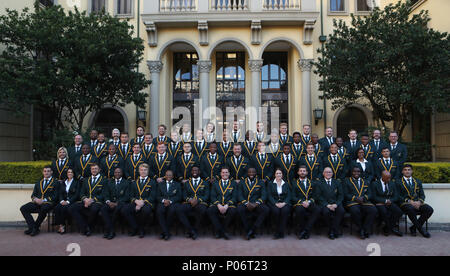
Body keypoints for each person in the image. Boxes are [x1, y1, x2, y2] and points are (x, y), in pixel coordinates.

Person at [69, 164, 106, 236]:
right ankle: (85, 226)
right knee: (72, 208)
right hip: (86, 201)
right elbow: (82, 192)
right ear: (90, 170)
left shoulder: (104, 180)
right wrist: (85, 199)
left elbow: (104, 194)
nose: (94, 170)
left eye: (96, 169)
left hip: (97, 201)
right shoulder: (86, 180)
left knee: (94, 209)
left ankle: (88, 227)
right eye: (92, 169)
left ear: (99, 170)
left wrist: (92, 200)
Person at [397, 164, 433, 238]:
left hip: (417, 203)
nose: (407, 171)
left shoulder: (417, 181)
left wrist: (419, 202)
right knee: (411, 209)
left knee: (429, 209)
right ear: (402, 171)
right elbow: (398, 196)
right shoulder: (398, 182)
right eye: (405, 170)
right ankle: (421, 230)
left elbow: (422, 195)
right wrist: (410, 202)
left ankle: (413, 227)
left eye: (409, 170)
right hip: (405, 203)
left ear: (412, 171)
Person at [20, 166, 57, 236]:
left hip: (48, 203)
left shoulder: (55, 182)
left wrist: (44, 200)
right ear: (43, 172)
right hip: (37, 202)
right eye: (45, 171)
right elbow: (33, 195)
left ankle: (35, 228)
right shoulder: (39, 182)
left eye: (48, 171)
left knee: (44, 209)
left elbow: (56, 196)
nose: (46, 173)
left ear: (51, 172)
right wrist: (35, 199)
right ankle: (32, 227)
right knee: (23, 208)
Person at [122, 163, 156, 238]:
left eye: (145, 170)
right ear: (139, 171)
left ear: (148, 171)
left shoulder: (152, 182)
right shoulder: (134, 182)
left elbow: (152, 196)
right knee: (125, 209)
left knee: (146, 211)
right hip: (136, 202)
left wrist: (142, 202)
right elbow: (130, 195)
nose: (143, 172)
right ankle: (135, 227)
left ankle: (142, 229)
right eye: (141, 170)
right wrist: (136, 202)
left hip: (147, 203)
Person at [343, 167, 377, 239]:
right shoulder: (347, 181)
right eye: (354, 171)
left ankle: (365, 228)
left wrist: (364, 198)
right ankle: (361, 229)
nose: (356, 173)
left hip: (364, 202)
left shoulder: (365, 181)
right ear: (352, 172)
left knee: (373, 210)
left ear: (360, 173)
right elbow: (346, 194)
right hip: (352, 202)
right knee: (355, 211)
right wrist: (356, 198)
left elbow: (370, 193)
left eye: (358, 171)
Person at [176, 167, 209, 240]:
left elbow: (206, 195)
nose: (195, 172)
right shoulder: (187, 183)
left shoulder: (205, 183)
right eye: (193, 170)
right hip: (189, 202)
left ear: (199, 172)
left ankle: (195, 229)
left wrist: (198, 200)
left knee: (203, 210)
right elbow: (184, 195)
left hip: (200, 202)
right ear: (191, 172)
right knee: (179, 210)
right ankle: (191, 229)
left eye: (196, 170)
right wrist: (190, 200)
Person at [237, 168, 269, 240]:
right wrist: (246, 203)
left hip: (256, 203)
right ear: (247, 173)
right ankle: (248, 229)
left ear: (256, 173)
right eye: (249, 172)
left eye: (253, 172)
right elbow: (239, 195)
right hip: (245, 203)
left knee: (266, 209)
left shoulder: (260, 182)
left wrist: (256, 203)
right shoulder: (242, 182)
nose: (251, 173)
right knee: (239, 209)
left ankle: (253, 229)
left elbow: (264, 195)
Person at [207, 167, 237, 240]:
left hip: (229, 204)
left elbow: (235, 197)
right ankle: (222, 230)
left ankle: (221, 231)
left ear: (229, 174)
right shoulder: (215, 183)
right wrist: (218, 205)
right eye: (223, 172)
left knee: (232, 211)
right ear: (220, 174)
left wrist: (227, 205)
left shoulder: (233, 183)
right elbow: (213, 196)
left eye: (226, 172)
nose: (225, 174)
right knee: (210, 211)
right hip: (218, 204)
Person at [370, 171, 403, 237]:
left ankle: (387, 228)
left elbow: (396, 196)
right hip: (379, 203)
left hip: (390, 202)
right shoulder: (374, 184)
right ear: (382, 177)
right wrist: (384, 201)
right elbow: (373, 197)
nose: (389, 179)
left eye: (390, 178)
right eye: (387, 178)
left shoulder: (392, 183)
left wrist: (390, 201)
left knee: (399, 212)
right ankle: (390, 228)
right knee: (384, 212)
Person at [291, 165, 320, 240]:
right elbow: (293, 196)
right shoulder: (294, 183)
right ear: (298, 172)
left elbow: (316, 195)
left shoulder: (312, 182)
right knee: (300, 210)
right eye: (301, 171)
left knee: (317, 209)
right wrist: (302, 202)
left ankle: (305, 230)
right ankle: (303, 231)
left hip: (309, 202)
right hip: (300, 203)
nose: (302, 172)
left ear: (307, 172)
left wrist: (309, 201)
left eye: (304, 171)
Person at [100, 167, 130, 240]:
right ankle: (111, 230)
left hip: (121, 203)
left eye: (119, 172)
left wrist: (117, 203)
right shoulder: (109, 182)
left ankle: (109, 231)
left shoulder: (126, 182)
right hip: (110, 203)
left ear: (122, 173)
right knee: (103, 209)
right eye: (116, 172)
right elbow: (105, 194)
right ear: (114, 173)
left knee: (116, 210)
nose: (117, 174)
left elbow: (127, 196)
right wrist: (108, 201)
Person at [316, 167, 345, 240]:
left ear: (332, 173)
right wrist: (327, 205)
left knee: (341, 211)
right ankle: (331, 230)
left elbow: (341, 195)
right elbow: (318, 196)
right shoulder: (319, 183)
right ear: (323, 173)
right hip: (325, 204)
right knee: (326, 212)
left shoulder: (337, 182)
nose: (328, 174)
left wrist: (336, 204)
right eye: (326, 172)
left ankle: (334, 229)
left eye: (330, 172)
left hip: (335, 203)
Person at [156, 170, 182, 241]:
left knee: (172, 211)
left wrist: (170, 201)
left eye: (170, 175)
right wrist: (164, 200)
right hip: (162, 202)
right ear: (165, 176)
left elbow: (179, 196)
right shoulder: (160, 184)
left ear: (173, 176)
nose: (168, 176)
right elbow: (157, 196)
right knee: (159, 211)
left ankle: (164, 232)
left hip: (172, 203)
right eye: (167, 175)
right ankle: (166, 232)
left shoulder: (177, 184)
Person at [267, 168, 291, 239]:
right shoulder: (270, 183)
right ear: (274, 175)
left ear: (282, 175)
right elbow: (269, 195)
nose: (278, 175)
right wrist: (275, 203)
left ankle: (281, 231)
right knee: (276, 212)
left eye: (280, 173)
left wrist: (284, 203)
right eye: (277, 173)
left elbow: (289, 195)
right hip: (274, 203)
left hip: (284, 203)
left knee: (285, 211)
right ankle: (276, 231)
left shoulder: (286, 183)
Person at [54, 168, 80, 234]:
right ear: (67, 173)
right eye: (68, 172)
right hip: (63, 201)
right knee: (57, 208)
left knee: (63, 208)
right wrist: (61, 201)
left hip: (72, 201)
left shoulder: (77, 182)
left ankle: (62, 226)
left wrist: (68, 202)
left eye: (71, 172)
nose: (70, 173)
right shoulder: (63, 182)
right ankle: (60, 224)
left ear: (73, 174)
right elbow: (60, 193)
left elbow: (76, 195)